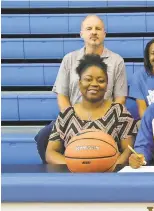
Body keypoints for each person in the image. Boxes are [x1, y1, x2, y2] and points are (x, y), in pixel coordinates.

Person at [35, 14, 128, 163]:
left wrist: (106, 122)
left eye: (98, 29)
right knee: (43, 136)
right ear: (81, 34)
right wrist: (74, 120)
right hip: (73, 116)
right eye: (89, 28)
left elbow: (120, 98)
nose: (94, 32)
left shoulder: (117, 61)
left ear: (104, 34)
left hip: (106, 117)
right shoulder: (69, 59)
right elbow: (62, 95)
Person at [46, 55, 137, 165]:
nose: (94, 84)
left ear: (107, 85)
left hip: (108, 178)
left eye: (101, 80)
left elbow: (129, 150)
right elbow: (50, 153)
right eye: (88, 79)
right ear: (79, 83)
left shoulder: (119, 112)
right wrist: (77, 165)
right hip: (74, 177)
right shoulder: (67, 114)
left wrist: (112, 165)